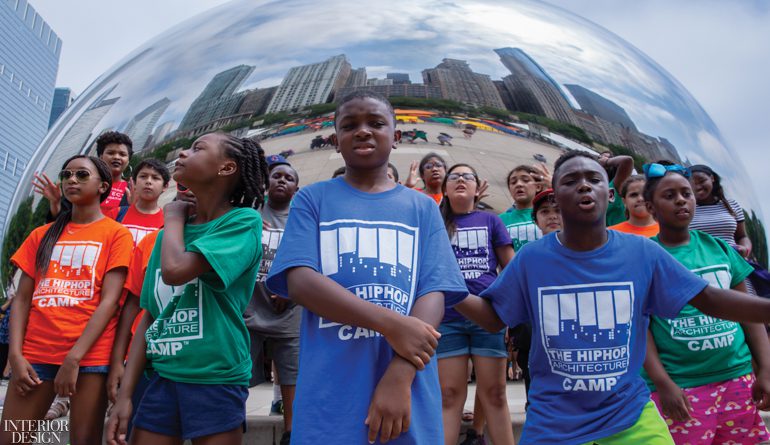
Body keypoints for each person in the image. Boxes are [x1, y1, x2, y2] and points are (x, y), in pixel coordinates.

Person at [455, 151, 770, 444]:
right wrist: (448, 288)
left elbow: (711, 299)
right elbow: (493, 317)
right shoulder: (531, 260)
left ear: (609, 194)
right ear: (555, 196)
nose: (583, 187)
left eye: (593, 180)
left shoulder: (642, 253)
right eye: (570, 181)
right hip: (554, 422)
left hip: (630, 416)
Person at [265, 91, 468, 444]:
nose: (362, 131)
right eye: (349, 125)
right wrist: (390, 323)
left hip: (409, 388)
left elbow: (433, 290)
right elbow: (300, 281)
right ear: (336, 138)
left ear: (395, 134)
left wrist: (401, 372)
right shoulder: (313, 199)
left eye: (375, 123)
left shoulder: (421, 207)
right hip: (330, 394)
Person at [106, 133, 268, 445]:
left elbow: (176, 271)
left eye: (197, 148)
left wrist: (174, 218)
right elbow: (151, 317)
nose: (182, 152)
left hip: (215, 379)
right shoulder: (169, 236)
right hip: (161, 377)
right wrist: (125, 396)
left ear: (226, 168)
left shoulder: (242, 222)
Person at [1, 155, 133, 445]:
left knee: (84, 440)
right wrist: (15, 355)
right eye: (67, 174)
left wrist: (73, 359)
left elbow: (110, 302)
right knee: (12, 438)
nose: (72, 180)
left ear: (103, 187)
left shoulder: (117, 234)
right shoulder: (41, 235)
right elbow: (22, 300)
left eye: (82, 175)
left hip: (89, 358)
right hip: (35, 355)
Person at [640, 161, 770, 444]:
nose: (681, 201)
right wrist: (663, 384)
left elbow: (748, 313)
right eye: (669, 195)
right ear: (650, 207)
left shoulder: (721, 249)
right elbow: (641, 328)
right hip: (682, 386)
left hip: (737, 378)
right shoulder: (645, 258)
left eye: (686, 193)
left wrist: (766, 369)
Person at [106, 186, 197, 440]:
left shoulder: (219, 237)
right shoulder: (150, 242)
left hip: (196, 363)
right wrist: (118, 361)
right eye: (182, 188)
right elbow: (133, 305)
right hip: (147, 359)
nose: (188, 193)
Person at [437, 164, 515, 445]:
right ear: (444, 188)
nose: (460, 180)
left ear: (476, 187)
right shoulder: (435, 222)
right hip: (446, 319)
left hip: (487, 319)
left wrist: (506, 312)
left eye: (467, 176)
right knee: (448, 396)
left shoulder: (491, 220)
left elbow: (511, 269)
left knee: (494, 393)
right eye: (454, 176)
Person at [244, 159, 300, 445]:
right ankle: (232, 424)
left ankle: (291, 433)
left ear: (296, 188)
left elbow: (311, 259)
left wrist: (291, 288)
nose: (282, 181)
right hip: (250, 308)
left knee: (291, 373)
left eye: (288, 178)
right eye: (276, 175)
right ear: (266, 182)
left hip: (288, 310)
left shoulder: (302, 218)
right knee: (238, 371)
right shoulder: (250, 213)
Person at [33, 131, 135, 219]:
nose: (116, 157)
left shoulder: (132, 190)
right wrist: (55, 202)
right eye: (111, 153)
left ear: (128, 159)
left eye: (122, 154)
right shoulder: (81, 183)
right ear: (100, 156)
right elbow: (61, 220)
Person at [689, 164, 752, 258]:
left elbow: (742, 236)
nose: (698, 187)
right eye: (692, 184)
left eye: (702, 181)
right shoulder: (686, 208)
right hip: (700, 262)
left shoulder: (731, 205)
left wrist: (744, 250)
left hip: (733, 260)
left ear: (712, 178)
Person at [105, 158, 169, 246]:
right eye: (143, 176)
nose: (148, 181)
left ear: (165, 186)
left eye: (155, 178)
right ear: (134, 183)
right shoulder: (115, 214)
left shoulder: (168, 221)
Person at [499, 165, 542, 251]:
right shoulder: (498, 220)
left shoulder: (549, 216)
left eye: (525, 180)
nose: (518, 184)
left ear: (538, 187)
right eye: (513, 182)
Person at [597, 151, 634, 226]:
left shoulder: (615, 187)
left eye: (608, 158)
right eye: (600, 157)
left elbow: (627, 161)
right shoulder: (591, 188)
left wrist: (606, 161)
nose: (602, 159)